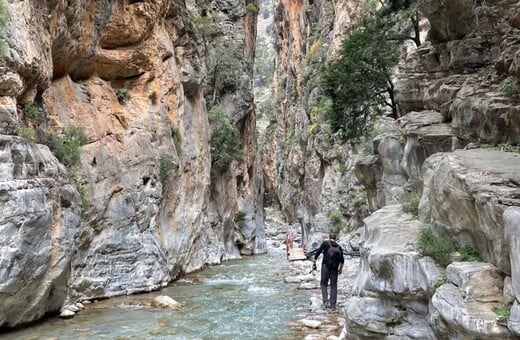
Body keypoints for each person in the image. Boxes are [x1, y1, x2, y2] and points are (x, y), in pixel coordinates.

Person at [312, 233, 344, 309]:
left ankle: (325, 302)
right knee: (333, 285)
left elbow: (319, 251)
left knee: (323, 284)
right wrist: (340, 269)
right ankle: (333, 304)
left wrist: (314, 261)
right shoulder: (339, 247)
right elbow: (342, 260)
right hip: (335, 268)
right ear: (335, 238)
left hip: (325, 266)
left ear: (329, 237)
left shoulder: (325, 243)